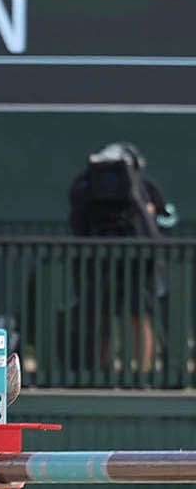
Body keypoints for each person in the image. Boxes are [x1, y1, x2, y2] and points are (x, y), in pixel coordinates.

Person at [67, 142, 176, 374]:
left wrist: (148, 214)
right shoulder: (87, 188)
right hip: (101, 263)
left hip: (139, 264)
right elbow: (79, 219)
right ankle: (99, 370)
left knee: (140, 316)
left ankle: (143, 373)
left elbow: (166, 218)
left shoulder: (143, 187)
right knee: (101, 314)